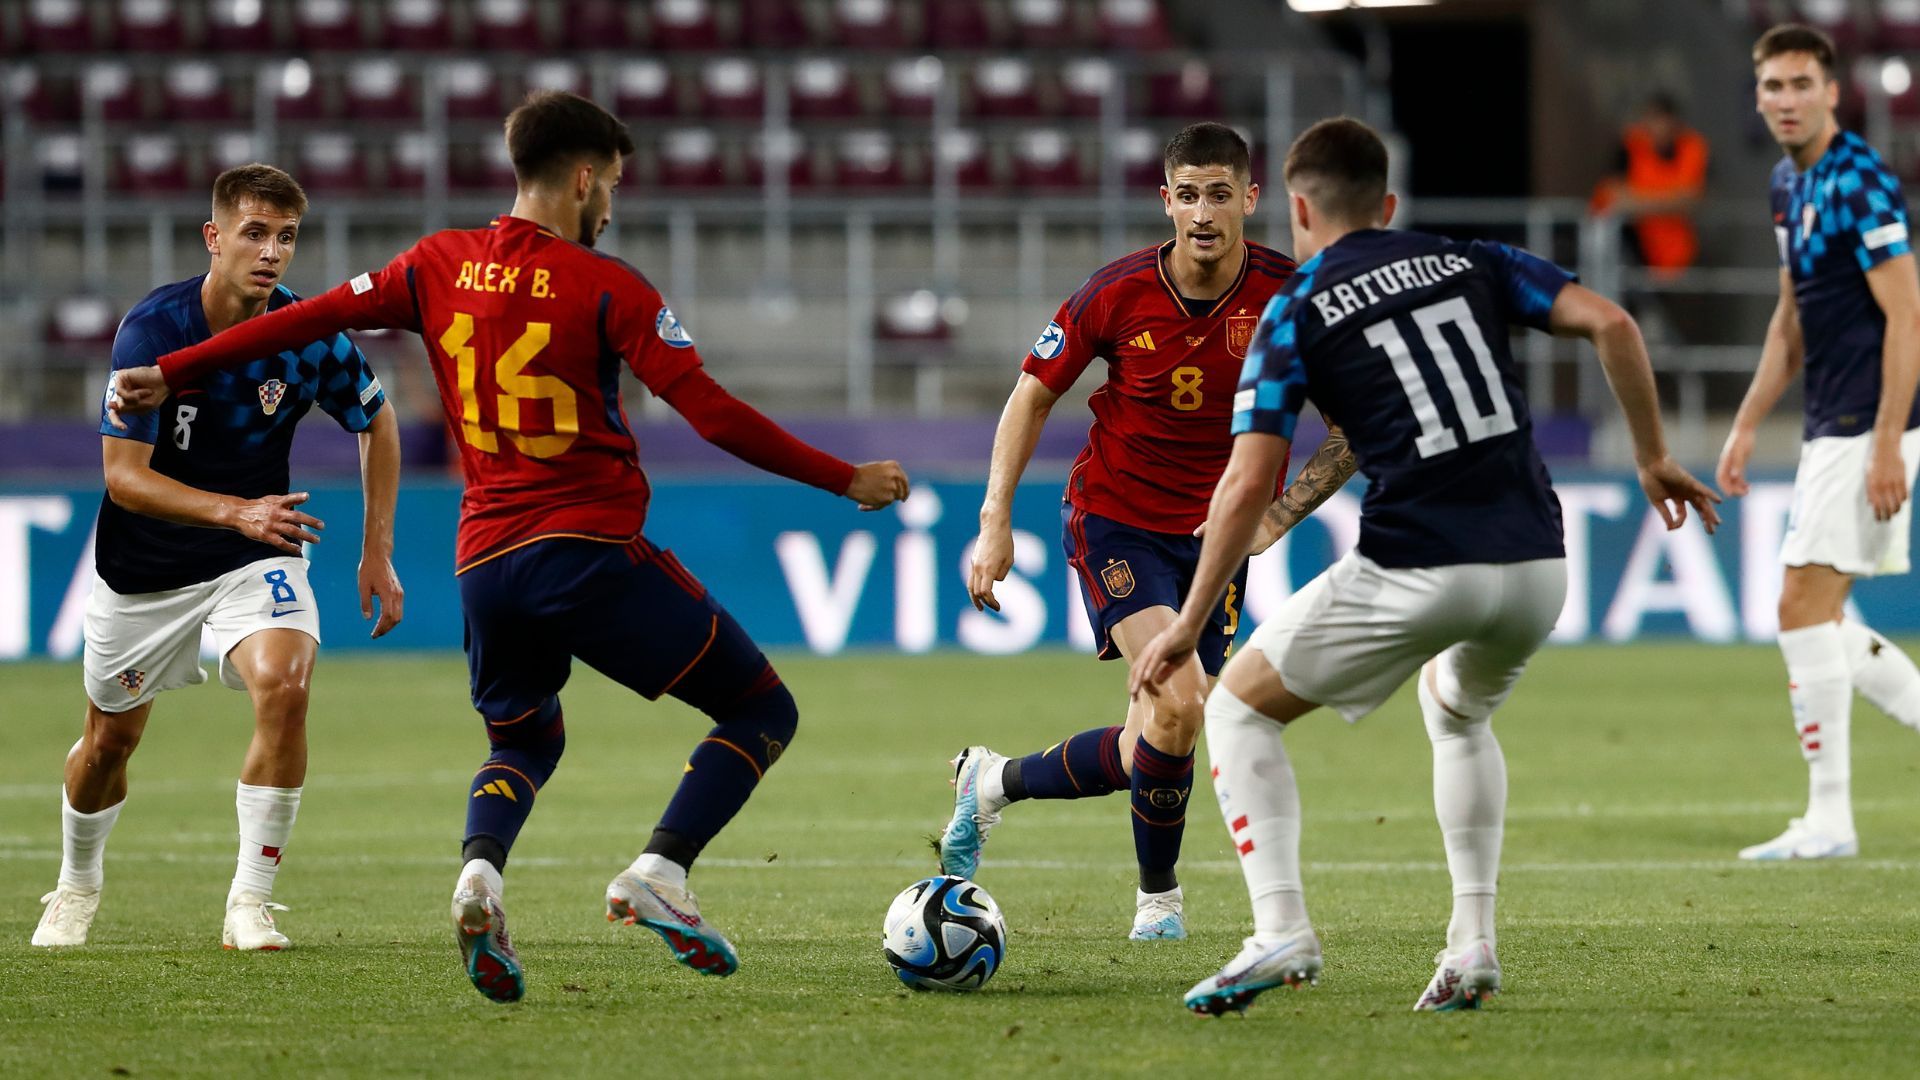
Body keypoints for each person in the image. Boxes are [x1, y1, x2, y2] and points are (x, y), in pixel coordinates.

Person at [108, 90, 909, 1003]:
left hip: (485, 565)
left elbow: (307, 317)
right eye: (609, 184)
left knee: (523, 739)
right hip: (587, 548)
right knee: (762, 710)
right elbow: (713, 413)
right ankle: (662, 872)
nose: (610, 205)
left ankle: (480, 876)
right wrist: (844, 477)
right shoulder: (612, 287)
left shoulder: (436, 263)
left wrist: (169, 369)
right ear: (579, 178)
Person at [1128, 117, 1721, 1015]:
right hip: (1535, 564)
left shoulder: (1296, 307)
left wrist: (1187, 618)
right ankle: (1472, 943)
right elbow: (1613, 321)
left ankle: (1280, 929)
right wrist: (1650, 456)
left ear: (1294, 208)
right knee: (1456, 709)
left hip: (1420, 563)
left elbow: (1249, 480)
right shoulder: (1471, 260)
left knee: (1241, 708)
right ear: (1390, 205)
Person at [943, 122, 1311, 941]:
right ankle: (1160, 903)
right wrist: (993, 520)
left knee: (1161, 732)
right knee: (1181, 701)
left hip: (1216, 540)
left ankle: (994, 780)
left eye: (1221, 194)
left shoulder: (1292, 295)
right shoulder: (1115, 293)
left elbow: (1357, 423)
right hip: (1120, 520)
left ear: (1250, 199)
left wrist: (1279, 515)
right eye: (1189, 194)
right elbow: (1031, 392)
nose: (1205, 213)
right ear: (1166, 201)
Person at [33, 164, 403, 951]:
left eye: (287, 237)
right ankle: (76, 884)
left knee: (286, 685)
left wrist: (378, 550)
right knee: (109, 744)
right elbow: (123, 480)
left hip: (251, 554)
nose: (272, 252)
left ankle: (250, 902)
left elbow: (378, 420)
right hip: (147, 569)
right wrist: (236, 509)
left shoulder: (307, 334)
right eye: (255, 233)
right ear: (214, 237)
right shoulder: (154, 333)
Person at [1719, 24, 1920, 862]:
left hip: (1867, 423)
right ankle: (1827, 817)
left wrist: (1884, 442)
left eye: (1803, 84)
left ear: (1833, 92)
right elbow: (1791, 317)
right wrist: (1745, 421)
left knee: (1799, 608)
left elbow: (1907, 315)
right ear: (1759, 95)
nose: (1788, 100)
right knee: (1821, 615)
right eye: (1774, 86)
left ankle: (1830, 820)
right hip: (1827, 422)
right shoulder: (1785, 187)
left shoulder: (1860, 181)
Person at [1590, 93, 1709, 279]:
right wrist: (1669, 202)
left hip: (1677, 253)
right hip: (1633, 243)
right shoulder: (1631, 144)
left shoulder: (1691, 146)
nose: (1657, 128)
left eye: (1662, 120)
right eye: (1652, 120)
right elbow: (1610, 196)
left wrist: (1638, 202)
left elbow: (1691, 199)